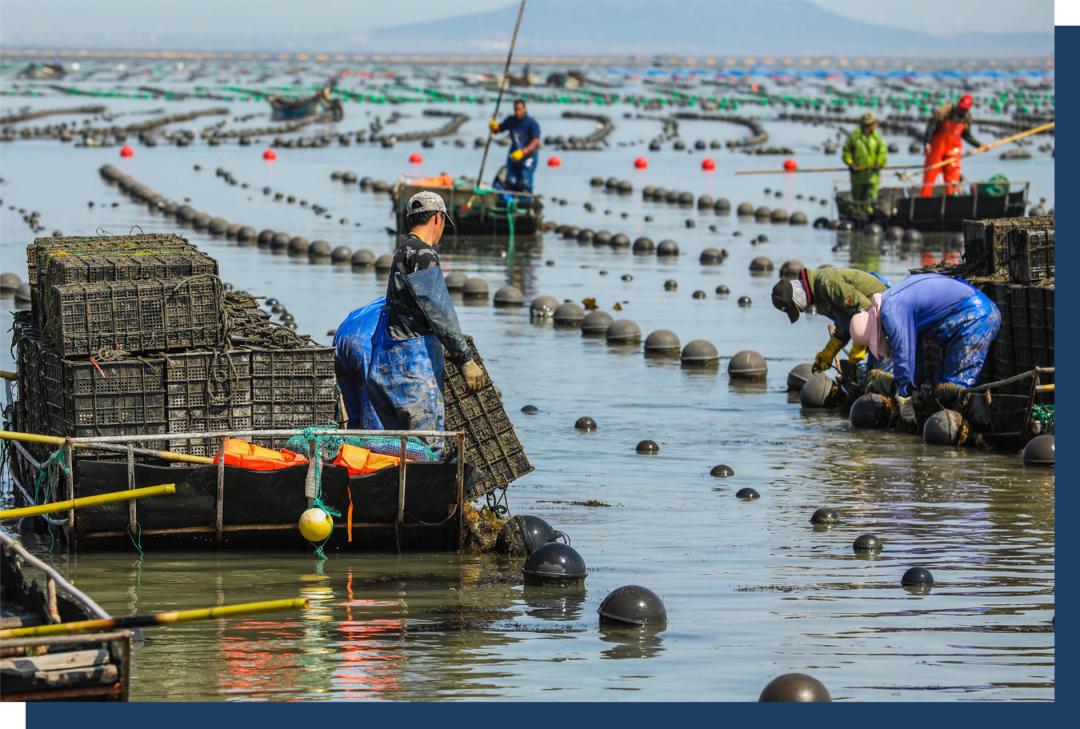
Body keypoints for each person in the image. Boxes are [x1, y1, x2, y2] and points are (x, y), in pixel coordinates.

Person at [361, 191, 485, 437]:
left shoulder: (401, 251)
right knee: (425, 447)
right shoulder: (423, 254)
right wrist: (465, 359)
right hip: (413, 371)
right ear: (438, 219)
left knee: (398, 448)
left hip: (385, 366)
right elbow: (438, 311)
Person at [848, 273, 1000, 425]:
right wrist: (916, 387)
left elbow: (904, 356)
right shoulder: (891, 300)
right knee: (939, 388)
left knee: (954, 391)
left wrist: (904, 396)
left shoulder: (892, 312)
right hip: (960, 320)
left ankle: (974, 430)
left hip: (975, 316)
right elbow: (915, 352)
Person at [772, 267, 889, 374]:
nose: (801, 311)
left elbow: (865, 310)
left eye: (796, 307)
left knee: (881, 373)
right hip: (871, 323)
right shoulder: (817, 297)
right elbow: (846, 320)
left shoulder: (827, 284)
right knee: (870, 373)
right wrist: (829, 352)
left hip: (885, 312)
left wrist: (859, 345)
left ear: (797, 296)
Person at [920, 93, 988, 197]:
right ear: (958, 104)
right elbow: (931, 126)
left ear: (969, 108)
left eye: (965, 109)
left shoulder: (966, 118)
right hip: (937, 147)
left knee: (953, 176)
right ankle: (924, 200)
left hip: (953, 150)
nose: (962, 110)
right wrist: (927, 142)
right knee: (930, 174)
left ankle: (952, 199)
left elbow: (966, 135)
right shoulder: (945, 112)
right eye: (961, 108)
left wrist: (979, 145)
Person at [489, 99, 541, 194]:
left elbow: (536, 142)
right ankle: (511, 200)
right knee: (511, 180)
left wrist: (523, 152)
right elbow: (499, 129)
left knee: (525, 181)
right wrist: (494, 127)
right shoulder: (511, 121)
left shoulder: (532, 124)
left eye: (520, 109)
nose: (518, 112)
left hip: (529, 156)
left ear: (524, 109)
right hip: (514, 153)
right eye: (516, 109)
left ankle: (525, 201)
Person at [842, 112, 888, 212]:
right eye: (873, 123)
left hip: (872, 175)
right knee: (857, 200)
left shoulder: (877, 138)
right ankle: (858, 214)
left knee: (871, 199)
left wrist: (879, 163)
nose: (875, 125)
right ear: (868, 124)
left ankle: (870, 215)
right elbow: (846, 151)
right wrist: (850, 163)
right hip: (857, 175)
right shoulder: (854, 137)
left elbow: (883, 152)